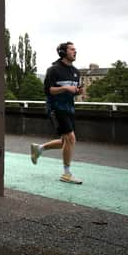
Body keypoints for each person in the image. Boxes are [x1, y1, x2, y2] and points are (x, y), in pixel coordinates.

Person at [30, 41, 83, 184]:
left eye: (75, 49)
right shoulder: (54, 70)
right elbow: (48, 91)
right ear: (63, 52)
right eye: (72, 49)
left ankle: (39, 149)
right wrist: (65, 88)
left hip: (69, 108)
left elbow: (73, 91)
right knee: (70, 138)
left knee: (67, 141)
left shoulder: (76, 72)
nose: (75, 51)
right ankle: (66, 174)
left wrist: (77, 91)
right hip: (56, 108)